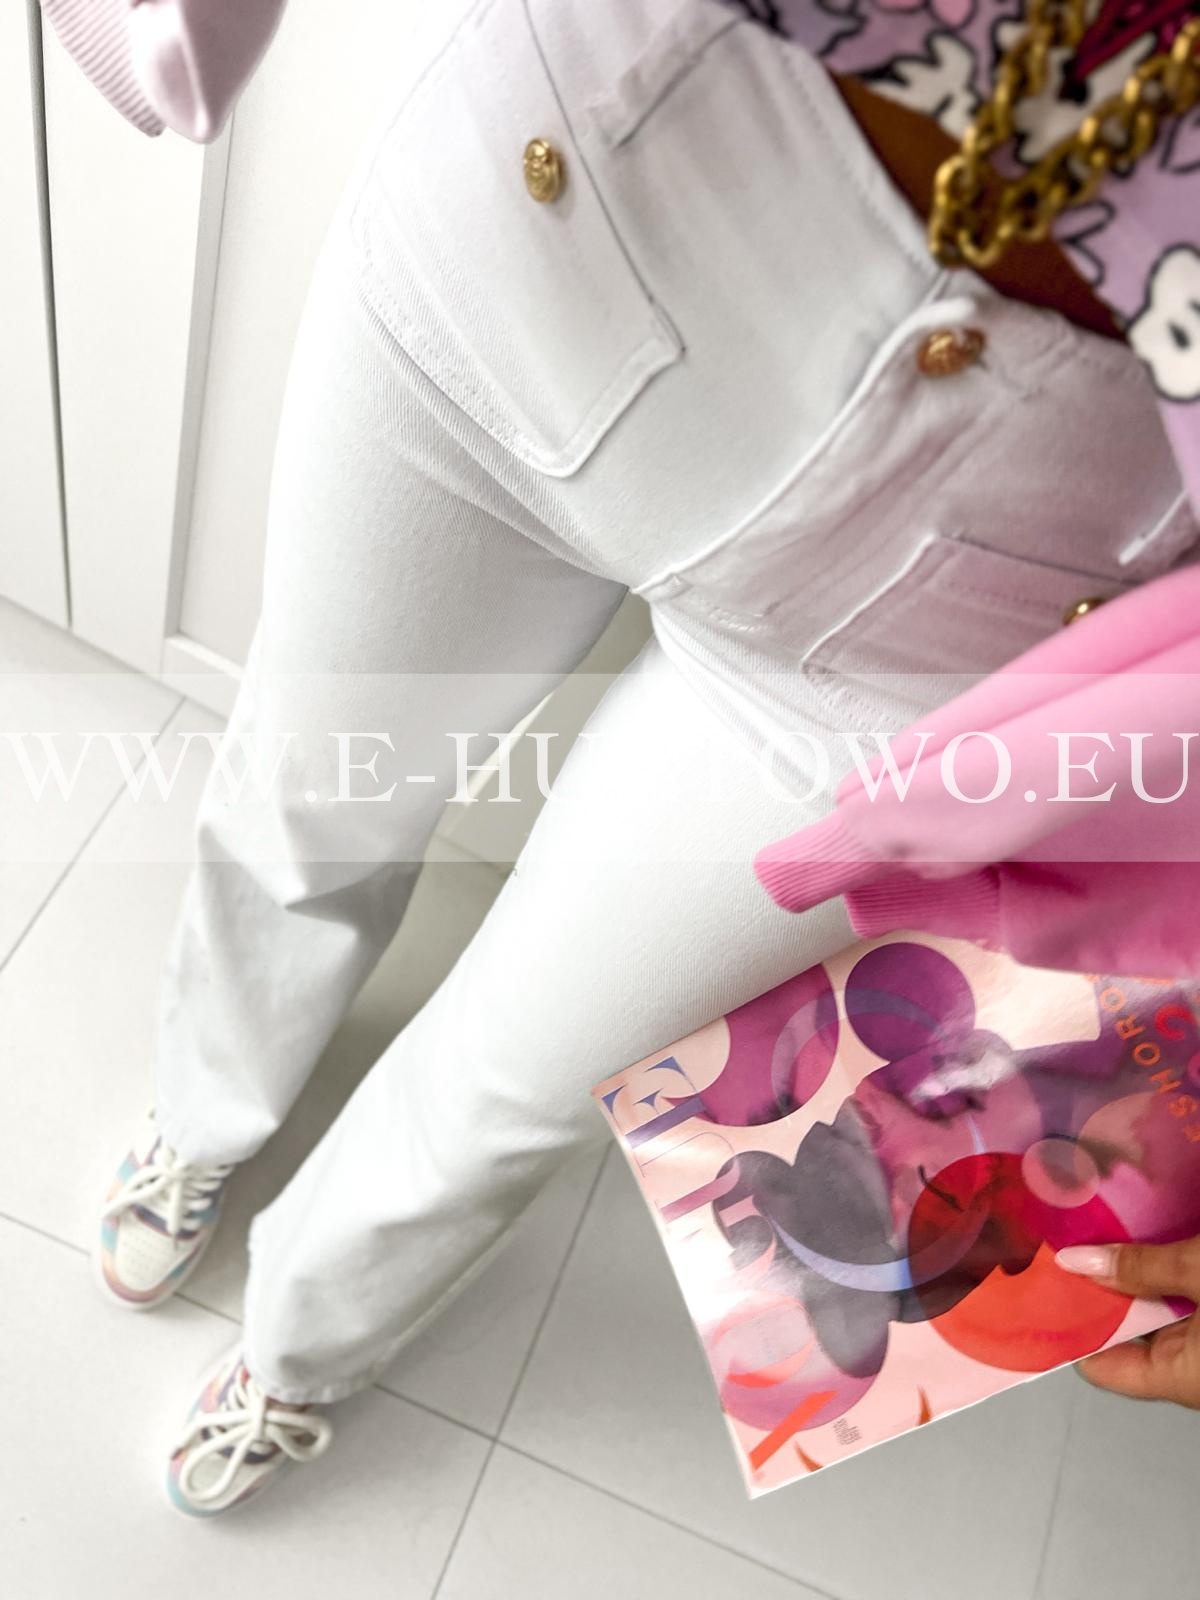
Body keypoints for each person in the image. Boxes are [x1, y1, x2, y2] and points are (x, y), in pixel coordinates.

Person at [41, 0, 1200, 1514]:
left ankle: (299, 1338)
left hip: (969, 618)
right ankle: (206, 1109)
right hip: (543, 250)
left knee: (520, 1075)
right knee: (303, 803)